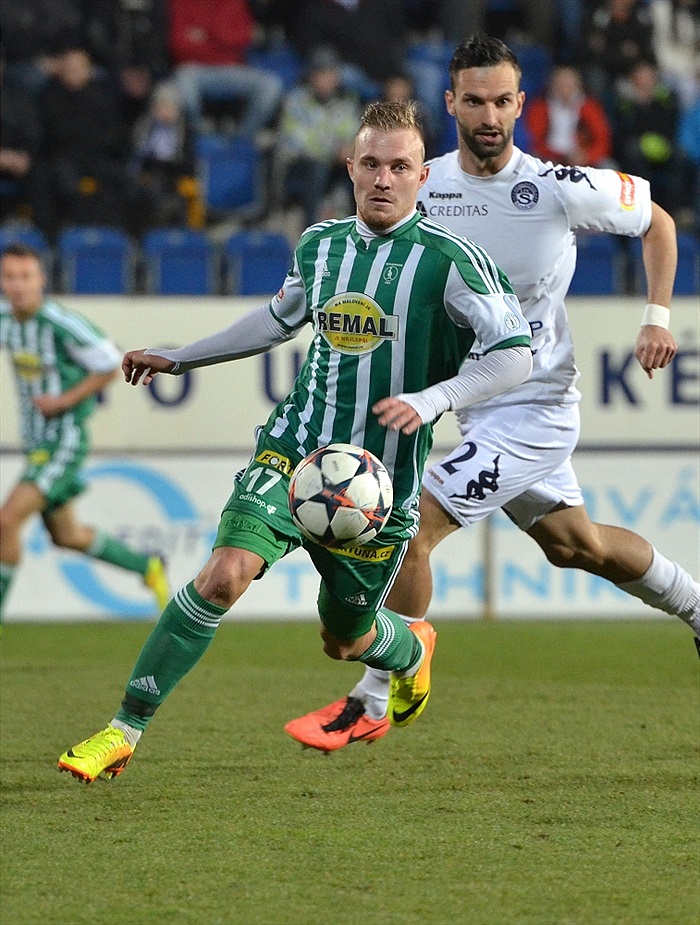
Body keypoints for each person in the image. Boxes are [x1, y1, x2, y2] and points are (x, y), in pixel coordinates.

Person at [56, 99, 533, 783]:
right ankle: (122, 728)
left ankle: (411, 648)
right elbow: (278, 320)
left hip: (379, 484)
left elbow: (515, 353)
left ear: (422, 177)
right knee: (222, 576)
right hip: (291, 451)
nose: (383, 178)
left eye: (399, 166)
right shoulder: (321, 244)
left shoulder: (451, 260)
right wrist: (183, 355)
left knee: (345, 641)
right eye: (370, 163)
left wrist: (434, 399)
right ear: (350, 166)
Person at [285, 34, 700, 754]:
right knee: (579, 546)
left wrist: (657, 316)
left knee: (411, 527)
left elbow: (658, 222)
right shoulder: (425, 182)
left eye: (501, 99)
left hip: (536, 408)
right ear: (450, 102)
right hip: (477, 404)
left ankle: (377, 693)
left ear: (520, 104)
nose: (487, 113)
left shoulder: (559, 185)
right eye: (473, 99)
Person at [0, 244, 170, 627]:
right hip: (35, 443)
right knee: (67, 534)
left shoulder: (60, 323)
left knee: (6, 522)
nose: (18, 286)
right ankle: (147, 566)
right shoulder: (7, 321)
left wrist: (63, 401)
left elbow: (110, 363)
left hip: (63, 439)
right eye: (10, 277)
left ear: (41, 279)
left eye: (25, 276)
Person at [168, 0, 283, 139]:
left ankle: (243, 138)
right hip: (196, 70)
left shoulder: (234, 3)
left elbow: (244, 37)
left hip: (231, 69)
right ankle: (196, 135)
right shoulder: (181, 3)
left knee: (271, 85)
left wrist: (207, 35)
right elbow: (178, 46)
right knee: (183, 81)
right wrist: (222, 42)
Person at [274, 46, 361, 230]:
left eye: (330, 74)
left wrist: (348, 150)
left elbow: (354, 135)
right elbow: (295, 143)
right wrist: (333, 150)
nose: (326, 80)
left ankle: (362, 231)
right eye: (321, 74)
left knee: (359, 170)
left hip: (337, 167)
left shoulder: (346, 103)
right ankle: (310, 228)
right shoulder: (296, 101)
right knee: (317, 168)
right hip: (300, 166)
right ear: (311, 76)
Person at [525, 63, 614, 168]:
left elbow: (602, 139)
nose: (565, 89)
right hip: (548, 157)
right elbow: (532, 139)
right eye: (560, 84)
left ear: (578, 85)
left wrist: (587, 156)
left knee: (608, 166)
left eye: (569, 84)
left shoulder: (589, 107)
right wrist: (558, 155)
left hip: (582, 157)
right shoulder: (539, 107)